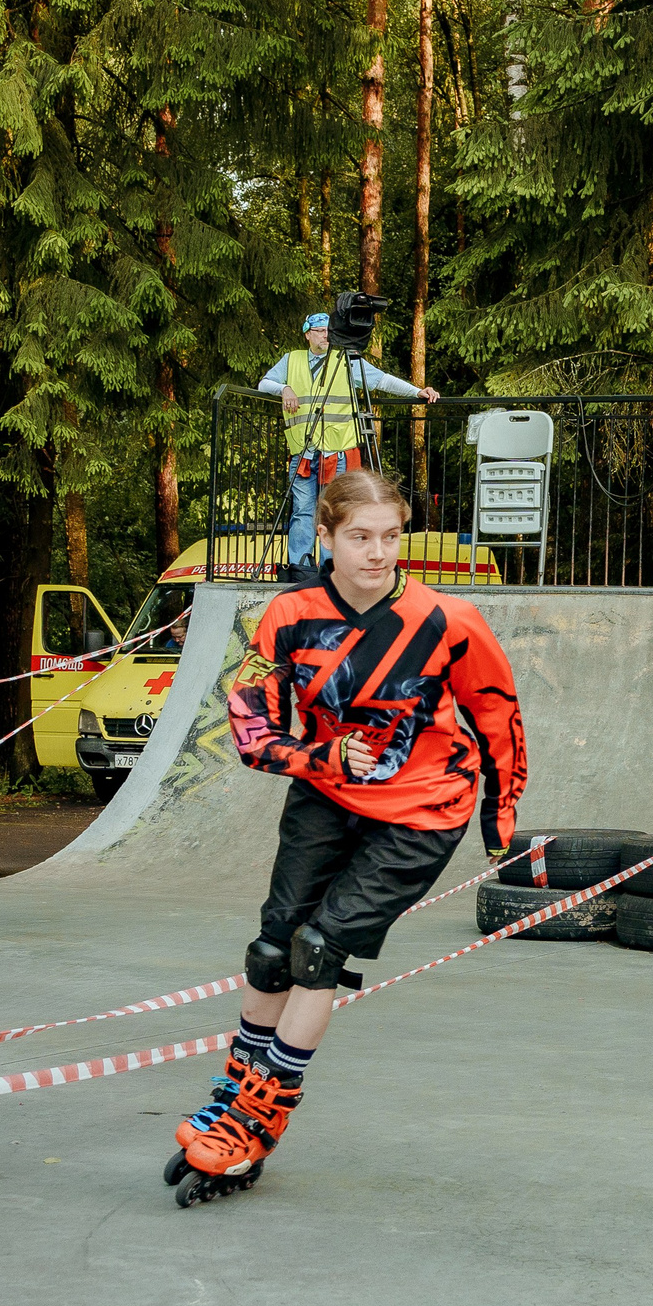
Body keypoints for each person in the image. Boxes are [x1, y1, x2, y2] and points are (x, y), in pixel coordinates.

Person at [168, 468, 528, 1206]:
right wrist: (317, 758)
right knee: (273, 949)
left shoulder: (448, 620)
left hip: (424, 808)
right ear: (324, 537)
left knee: (319, 949)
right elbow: (248, 726)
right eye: (359, 537)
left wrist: (501, 816)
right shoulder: (290, 615)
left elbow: (499, 717)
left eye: (390, 537)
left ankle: (258, 1119)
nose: (377, 553)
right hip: (325, 793)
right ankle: (233, 1097)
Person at [260, 311, 439, 578]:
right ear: (308, 334)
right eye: (319, 331)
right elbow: (265, 384)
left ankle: (331, 572)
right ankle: (301, 571)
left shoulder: (345, 361)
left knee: (332, 513)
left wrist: (417, 391)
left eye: (328, 331)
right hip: (304, 452)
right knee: (302, 513)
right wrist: (284, 388)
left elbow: (381, 380)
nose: (325, 335)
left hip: (337, 452)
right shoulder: (292, 360)